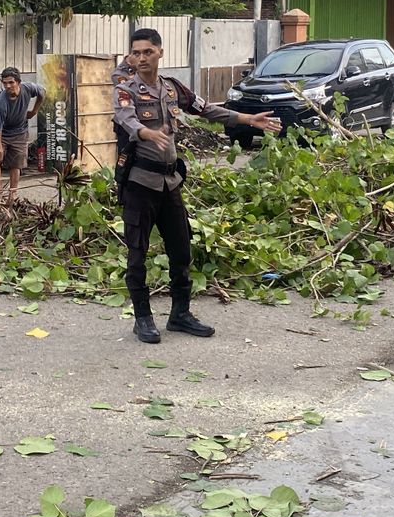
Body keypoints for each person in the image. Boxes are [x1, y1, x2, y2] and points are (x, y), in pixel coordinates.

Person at [113, 28, 282, 344]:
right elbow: (126, 119)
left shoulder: (173, 89)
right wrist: (147, 133)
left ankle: (180, 314)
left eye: (147, 52)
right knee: (137, 253)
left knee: (181, 248)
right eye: (135, 53)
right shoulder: (127, 90)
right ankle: (143, 318)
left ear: (160, 53)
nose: (141, 58)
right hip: (139, 183)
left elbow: (205, 109)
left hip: (169, 182)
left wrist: (247, 120)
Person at [0, 67, 44, 200]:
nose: (8, 86)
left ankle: (13, 193)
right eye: (5, 83)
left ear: (18, 82)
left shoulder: (28, 88)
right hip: (3, 133)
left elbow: (42, 92)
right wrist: (0, 148)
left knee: (16, 163)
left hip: (20, 132)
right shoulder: (2, 101)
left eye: (11, 82)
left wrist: (34, 110)